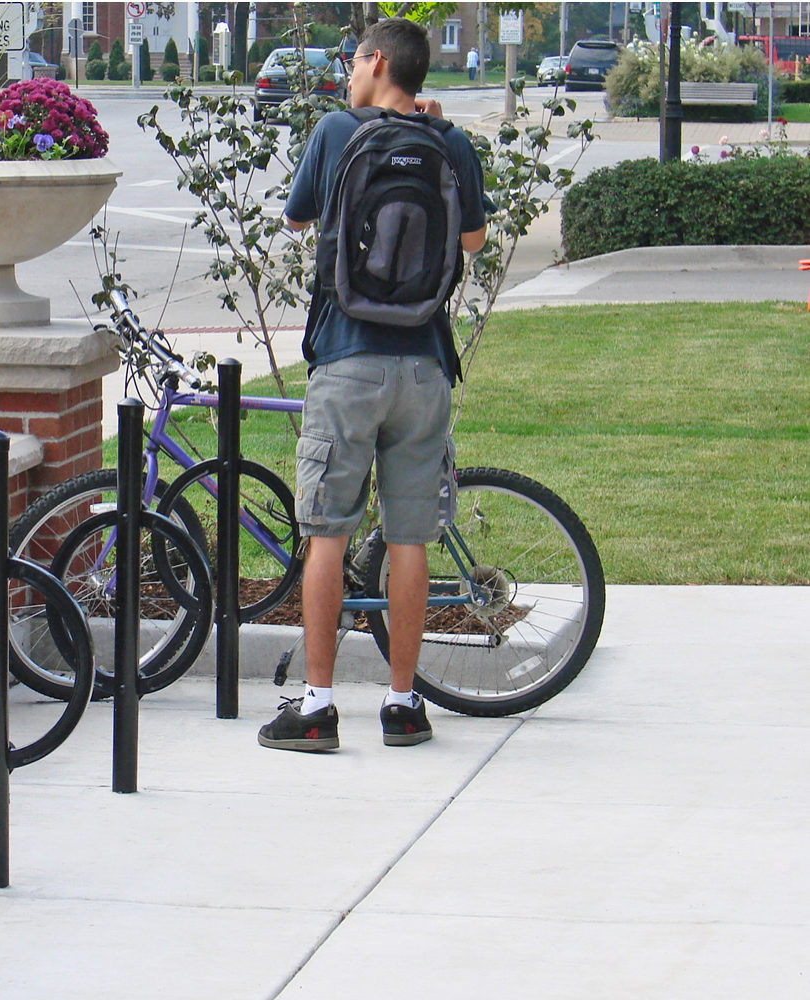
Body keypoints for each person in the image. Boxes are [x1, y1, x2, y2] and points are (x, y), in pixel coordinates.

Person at [258, 17, 489, 753]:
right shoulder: (448, 143)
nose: (346, 72)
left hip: (347, 357)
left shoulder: (333, 131)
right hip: (424, 363)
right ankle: (403, 704)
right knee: (411, 536)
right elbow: (474, 241)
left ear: (378, 61)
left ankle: (319, 707)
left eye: (353, 59)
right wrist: (437, 144)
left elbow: (296, 220)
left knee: (328, 530)